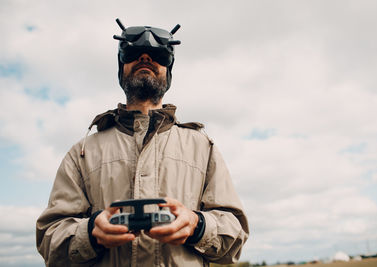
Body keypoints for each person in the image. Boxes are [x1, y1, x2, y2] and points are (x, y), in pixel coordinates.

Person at [36, 19, 249, 267]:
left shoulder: (203, 148)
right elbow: (49, 240)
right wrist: (91, 233)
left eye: (158, 55)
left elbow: (235, 239)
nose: (145, 58)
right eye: (134, 54)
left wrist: (197, 225)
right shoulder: (82, 152)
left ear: (168, 72)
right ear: (121, 68)